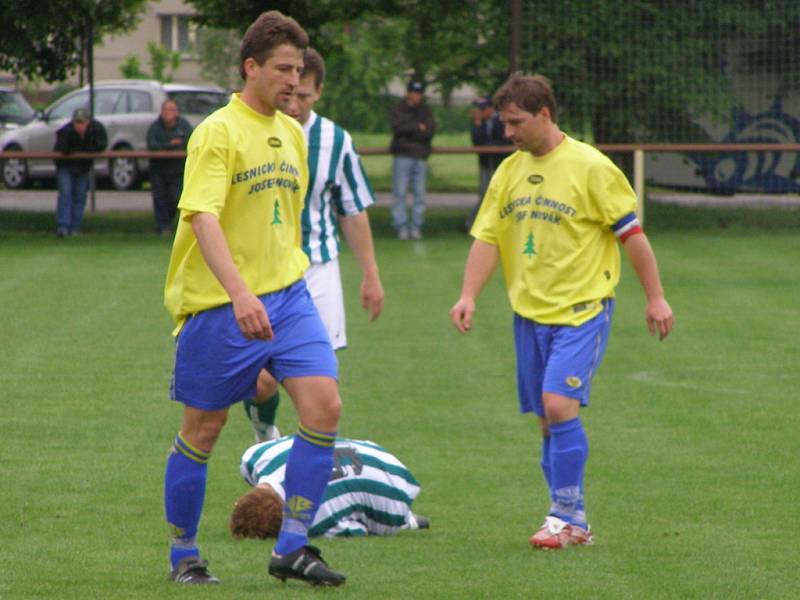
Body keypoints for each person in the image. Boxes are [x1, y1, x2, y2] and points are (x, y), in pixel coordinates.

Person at [449, 74, 674, 551]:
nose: (507, 133)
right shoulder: (509, 172)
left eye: (516, 123)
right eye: (504, 123)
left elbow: (632, 235)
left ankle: (567, 518)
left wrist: (655, 297)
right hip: (529, 314)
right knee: (547, 422)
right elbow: (488, 237)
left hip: (582, 309)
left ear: (545, 115)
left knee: (557, 404)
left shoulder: (591, 166)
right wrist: (469, 294)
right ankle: (570, 519)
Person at [163, 11, 346, 587]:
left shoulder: (293, 131)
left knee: (324, 408)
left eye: (299, 70)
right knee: (204, 430)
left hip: (288, 297)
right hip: (221, 306)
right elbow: (201, 217)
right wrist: (239, 293)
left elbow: (279, 220)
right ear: (252, 68)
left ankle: (293, 545)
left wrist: (281, 282)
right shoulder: (217, 131)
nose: (294, 80)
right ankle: (184, 555)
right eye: (283, 69)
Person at [241, 47, 385, 444]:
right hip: (262, 273)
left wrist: (371, 274)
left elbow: (352, 210)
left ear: (318, 92)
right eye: (291, 95)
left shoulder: (335, 141)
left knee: (318, 393)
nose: (296, 104)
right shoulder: (249, 132)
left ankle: (307, 479)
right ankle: (264, 433)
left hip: (318, 270)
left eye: (305, 96)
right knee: (262, 383)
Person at [231, 437, 428, 539]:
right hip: (375, 452)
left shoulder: (314, 520)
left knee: (372, 524)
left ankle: (406, 520)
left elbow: (359, 531)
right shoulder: (254, 457)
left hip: (395, 495)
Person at [389, 80, 436, 240]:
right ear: (408, 92)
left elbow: (430, 130)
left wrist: (411, 128)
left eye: (420, 93)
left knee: (419, 193)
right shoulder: (398, 108)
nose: (417, 96)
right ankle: (401, 226)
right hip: (402, 155)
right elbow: (398, 127)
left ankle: (416, 226)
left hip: (421, 155)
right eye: (414, 92)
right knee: (400, 192)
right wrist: (417, 127)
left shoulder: (426, 110)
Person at [53, 107, 107, 237]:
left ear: (88, 122)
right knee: (66, 194)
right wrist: (85, 149)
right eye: (77, 123)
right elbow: (64, 148)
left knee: (80, 197)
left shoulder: (96, 129)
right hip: (65, 166)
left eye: (82, 123)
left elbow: (101, 145)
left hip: (83, 167)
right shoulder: (65, 131)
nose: (79, 126)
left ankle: (75, 228)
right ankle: (63, 227)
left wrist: (82, 149)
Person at [146, 99, 193, 235]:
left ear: (177, 112)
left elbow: (188, 142)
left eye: (171, 110)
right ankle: (162, 227)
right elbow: (152, 145)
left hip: (177, 170)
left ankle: (168, 223)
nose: (167, 113)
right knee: (159, 198)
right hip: (158, 169)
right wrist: (170, 144)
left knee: (175, 198)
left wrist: (168, 145)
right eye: (165, 110)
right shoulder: (155, 127)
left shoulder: (183, 126)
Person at [465, 96, 511, 231]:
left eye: (482, 109)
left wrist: (489, 145)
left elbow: (505, 141)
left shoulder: (501, 121)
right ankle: (473, 225)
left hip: (500, 164)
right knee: (484, 194)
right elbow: (477, 142)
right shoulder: (479, 123)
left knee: (503, 194)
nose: (479, 112)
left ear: (490, 109)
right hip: (486, 164)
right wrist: (477, 124)